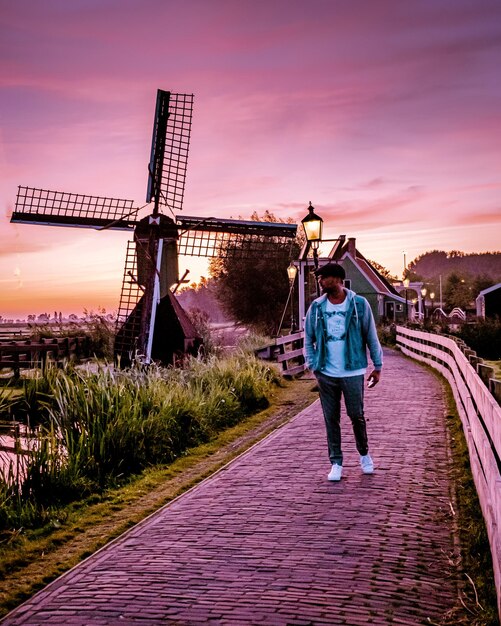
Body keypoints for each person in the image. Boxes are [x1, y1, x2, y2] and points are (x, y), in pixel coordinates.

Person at [303, 263, 383, 481]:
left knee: (356, 415)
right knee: (331, 418)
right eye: (319, 278)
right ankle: (336, 462)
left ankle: (364, 455)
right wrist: (313, 365)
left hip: (353, 370)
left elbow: (371, 336)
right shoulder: (317, 307)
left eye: (324, 277)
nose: (320, 281)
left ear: (338, 279)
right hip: (326, 373)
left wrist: (377, 366)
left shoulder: (359, 304)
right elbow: (308, 338)